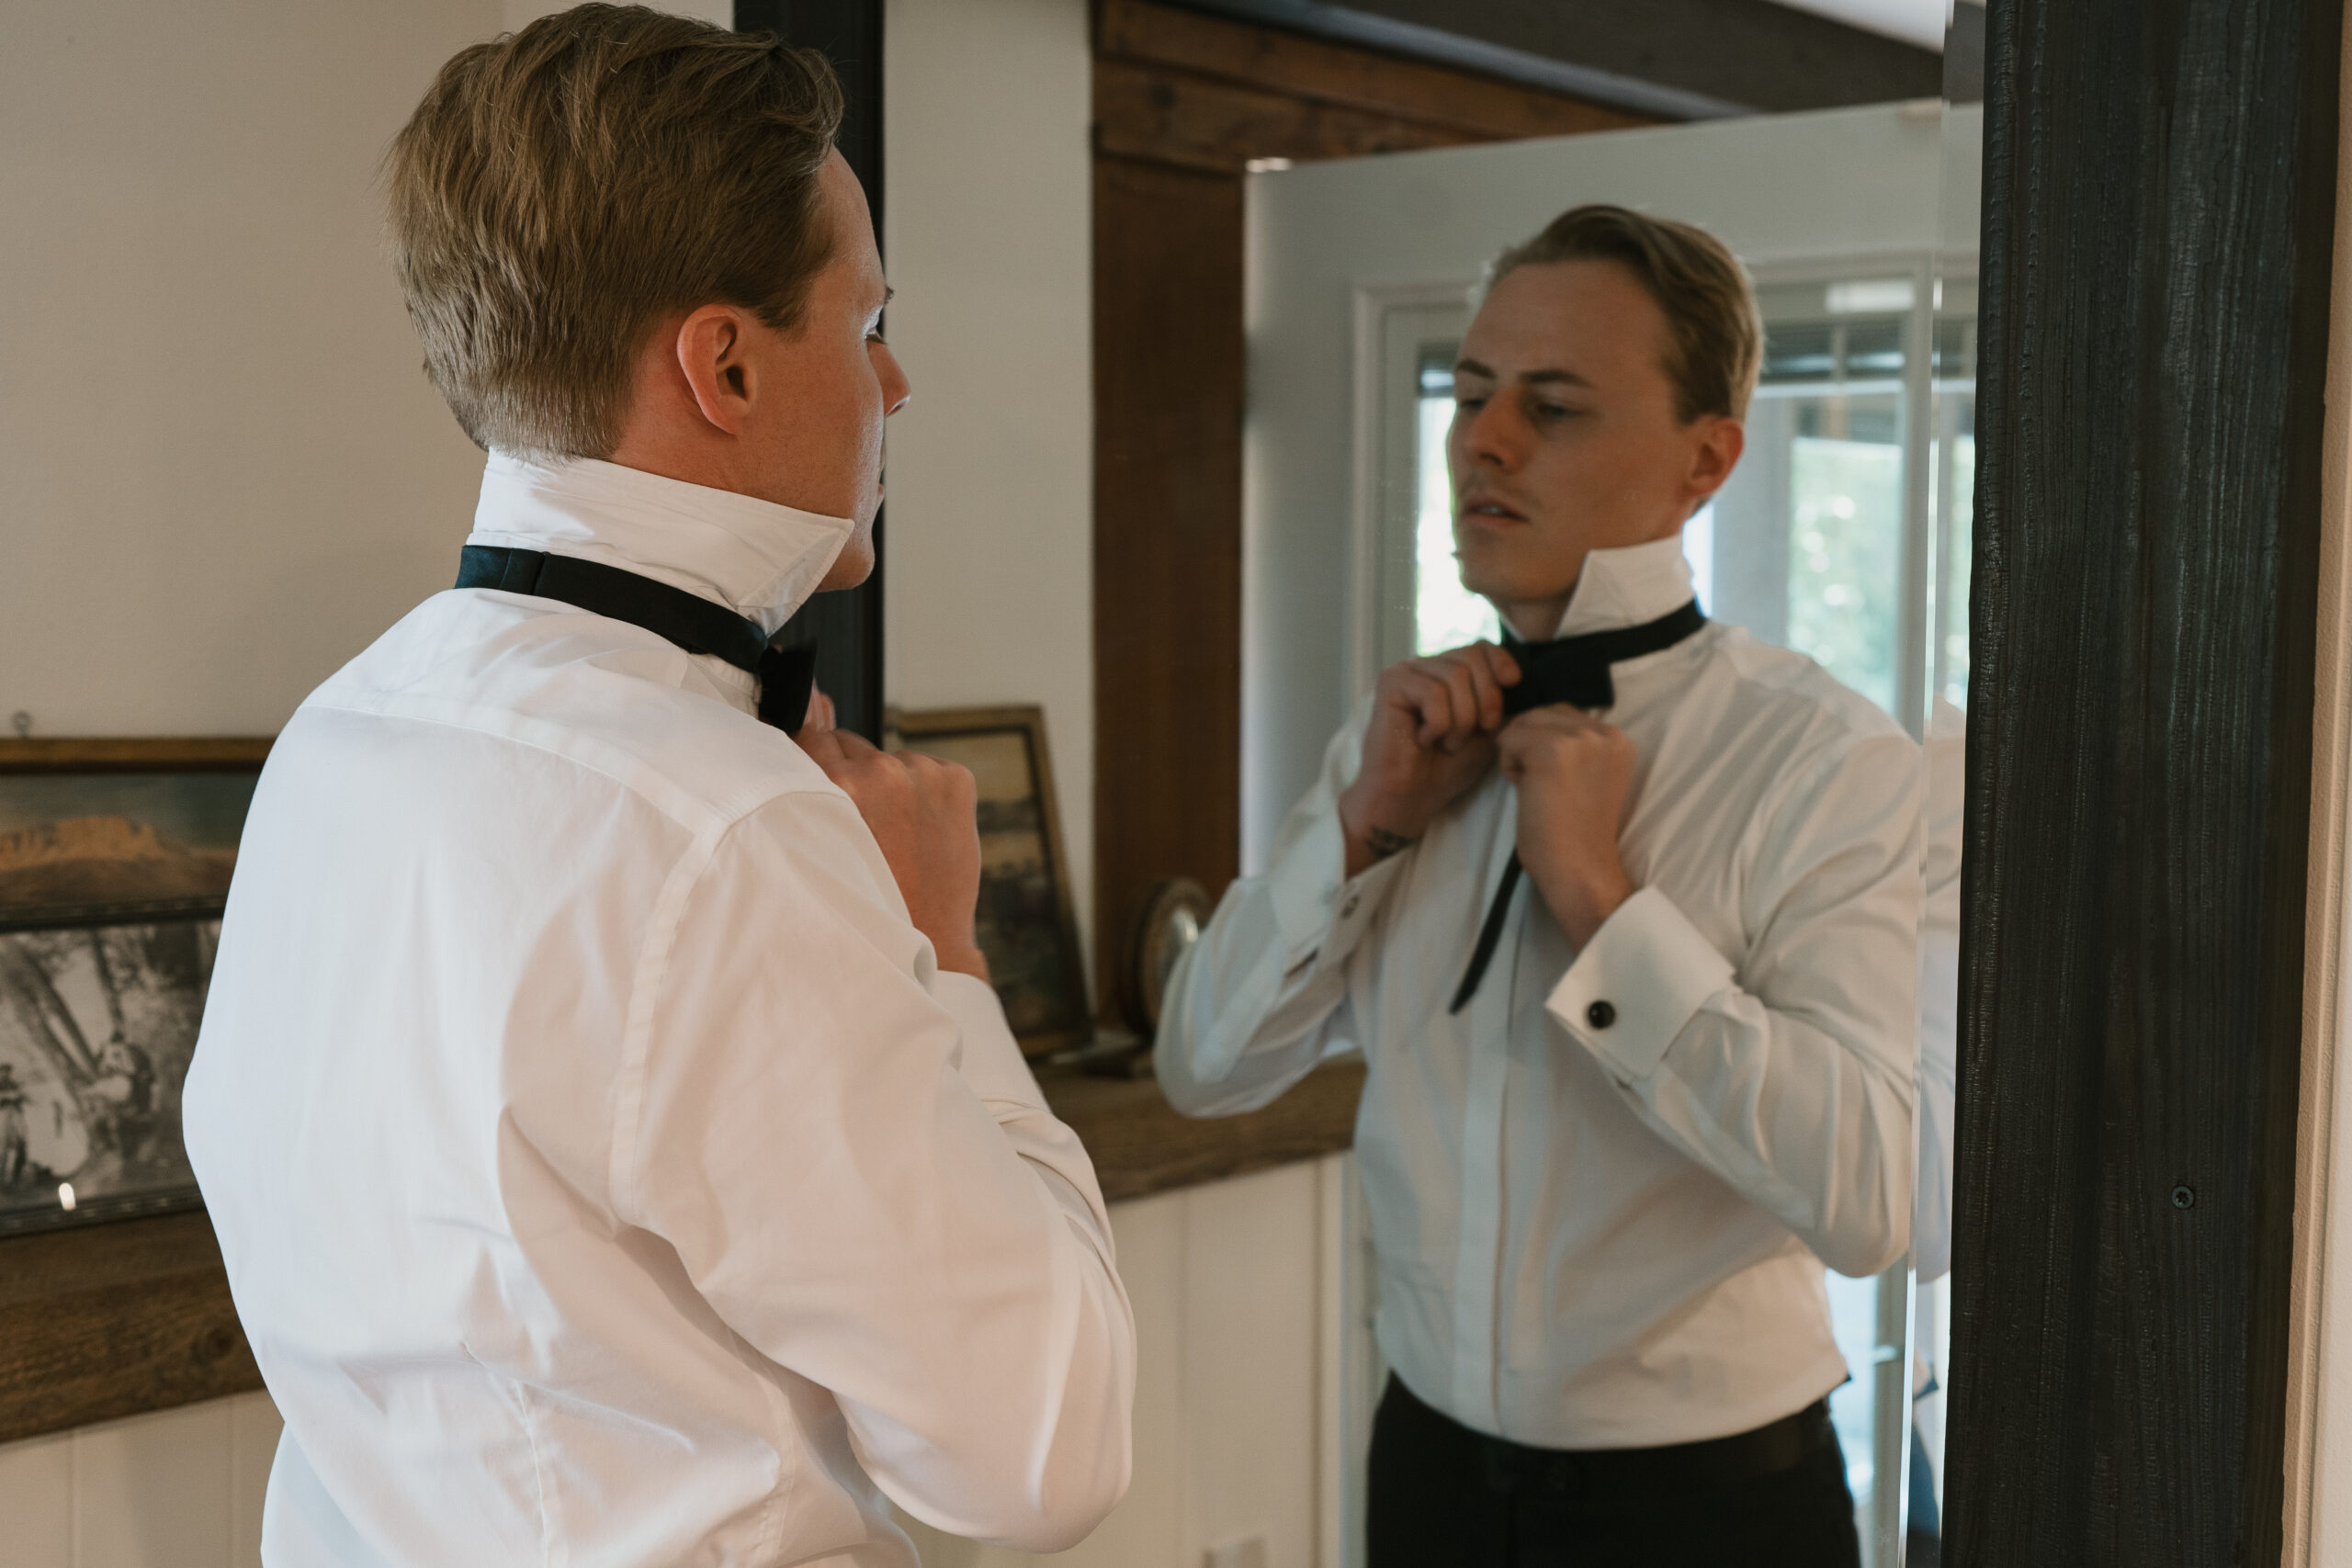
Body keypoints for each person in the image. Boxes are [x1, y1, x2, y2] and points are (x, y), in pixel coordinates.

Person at [184, 9, 1134, 1564]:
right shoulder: (727, 826)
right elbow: (1043, 1455)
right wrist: (946, 959)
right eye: (869, 318)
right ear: (730, 362)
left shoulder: (337, 736)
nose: (899, 383)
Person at [1157, 206, 1921, 1566]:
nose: (1484, 443)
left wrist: (1606, 906)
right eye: (1469, 394)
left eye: (1554, 406)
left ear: (1707, 460)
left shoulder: (1824, 757)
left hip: (1713, 1516)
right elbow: (1205, 1069)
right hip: (1430, 1482)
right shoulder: (1396, 745)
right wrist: (1364, 830)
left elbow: (1870, 1198)